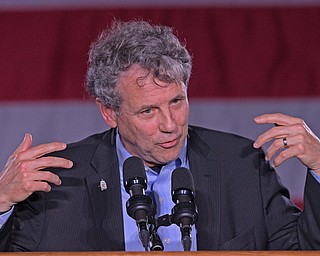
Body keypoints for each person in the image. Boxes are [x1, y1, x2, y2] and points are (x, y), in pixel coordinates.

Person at [0, 20, 320, 252]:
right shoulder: (60, 183)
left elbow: (303, 249)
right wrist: (1, 202)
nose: (170, 124)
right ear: (109, 112)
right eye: (148, 111)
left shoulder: (242, 166)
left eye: (177, 102)